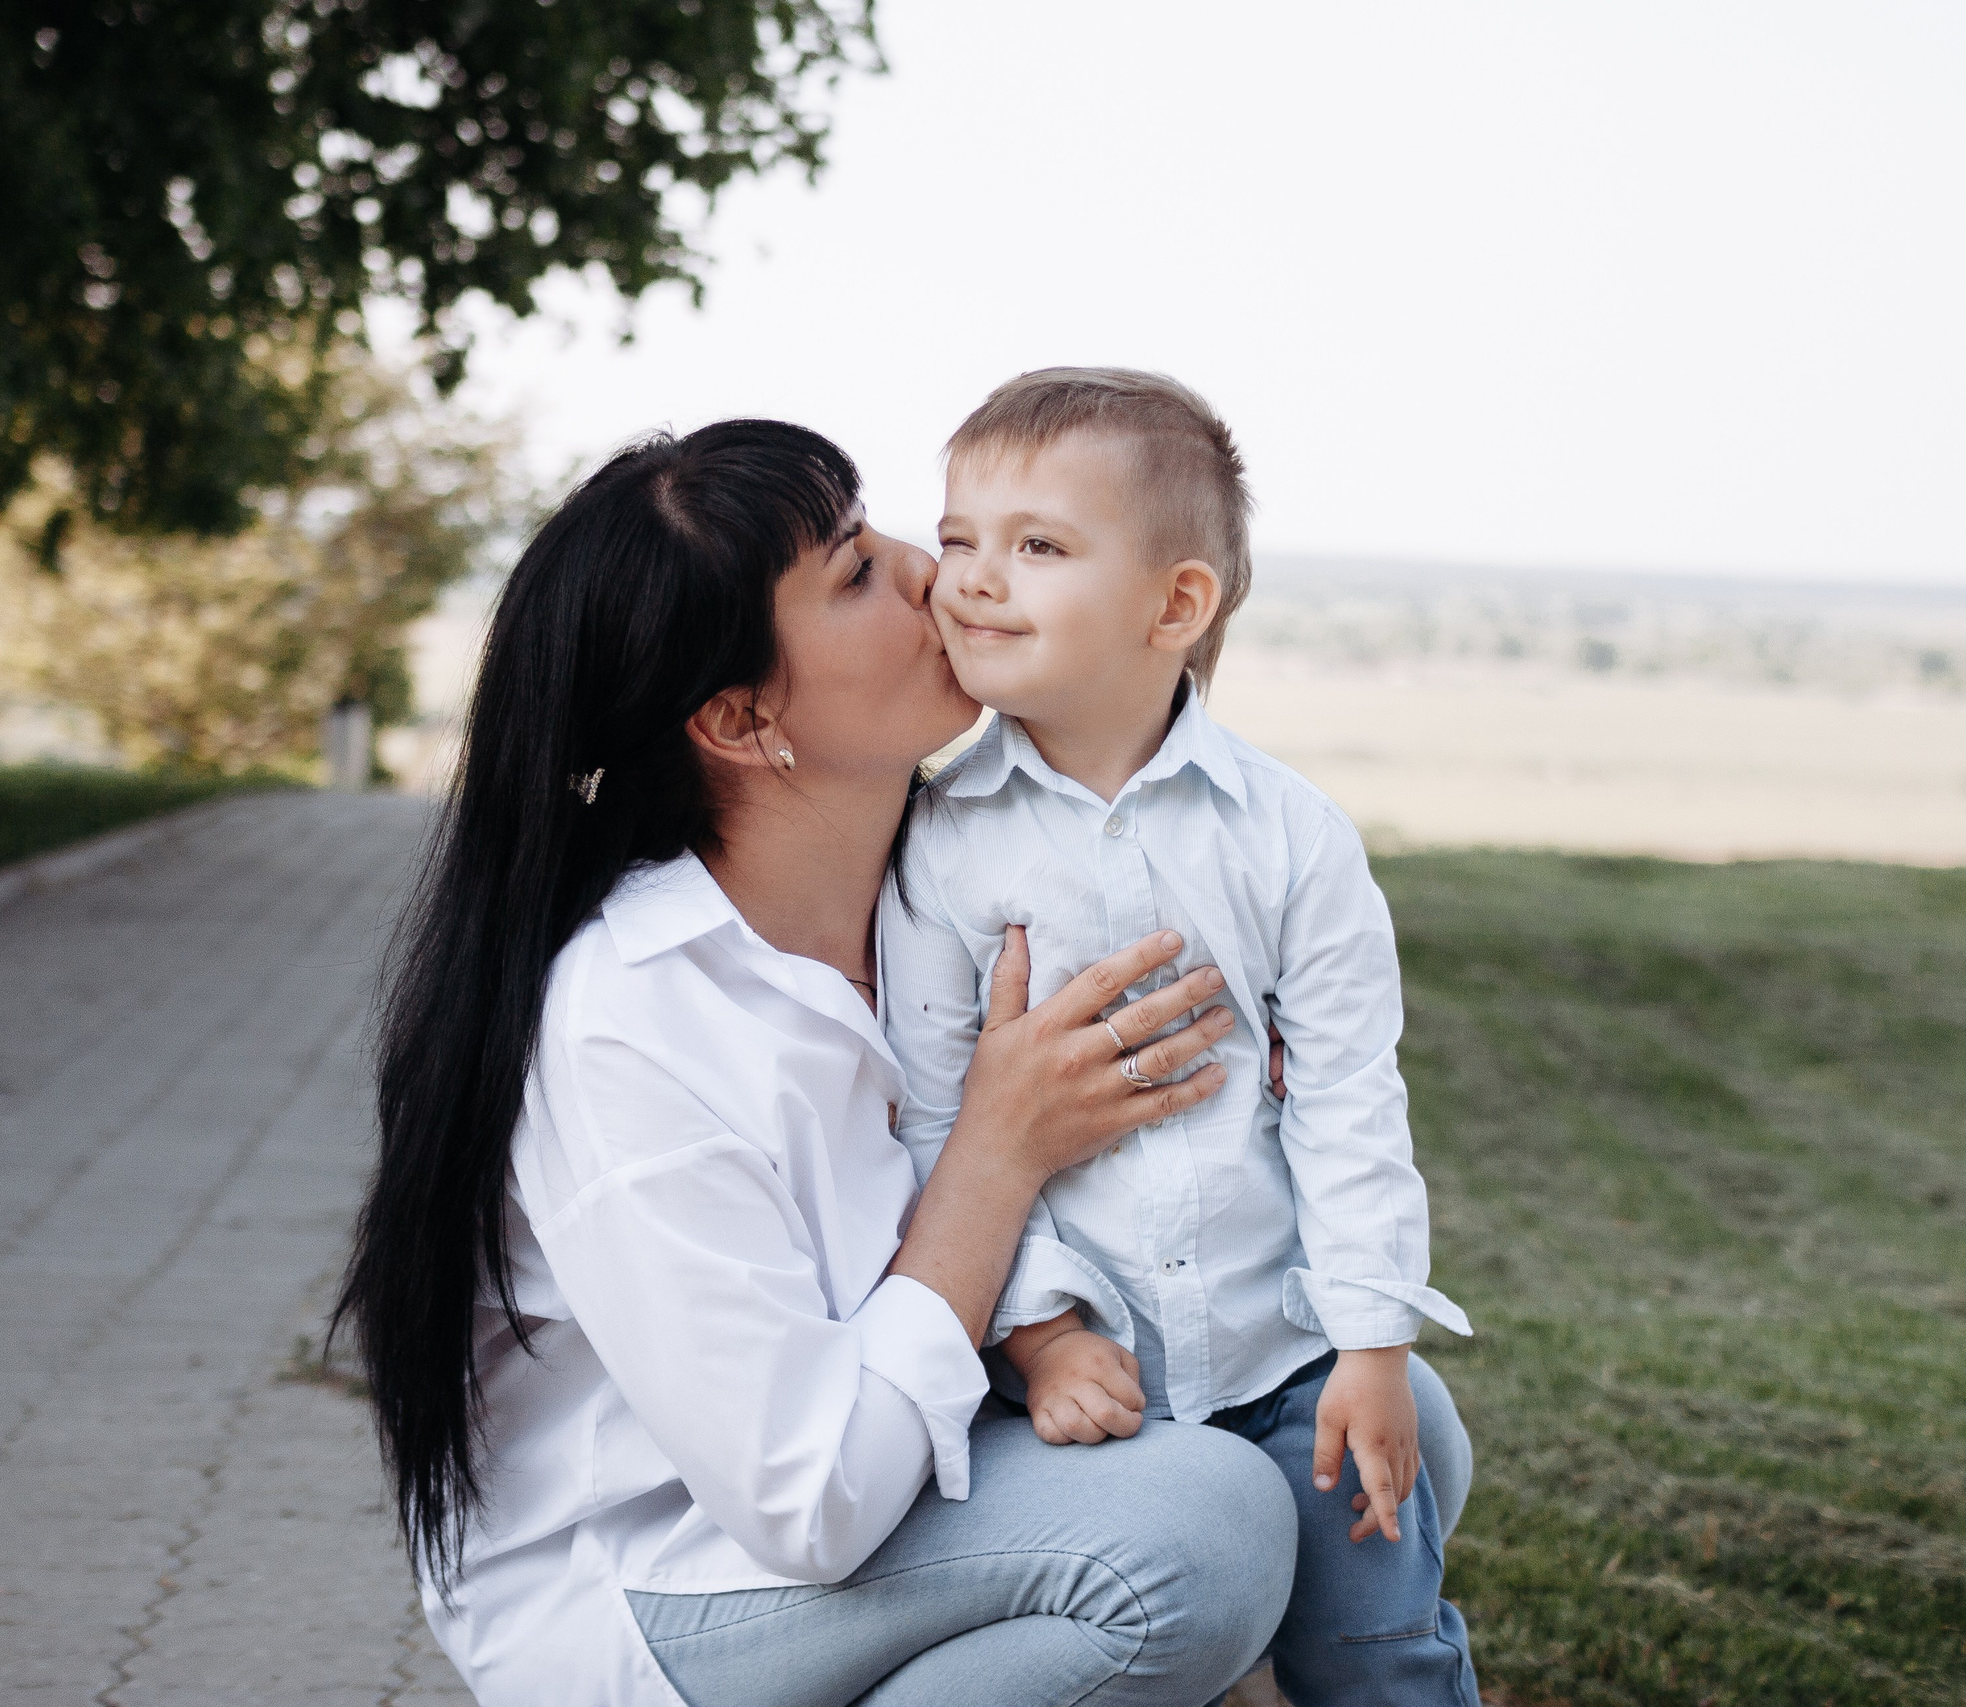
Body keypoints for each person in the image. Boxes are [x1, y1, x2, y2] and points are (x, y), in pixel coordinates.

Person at [336, 420, 1306, 1706]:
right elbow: (811, 1501)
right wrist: (996, 1155)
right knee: (1199, 1529)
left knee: (1360, 1442)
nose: (930, 569)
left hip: (899, 1468)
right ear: (742, 719)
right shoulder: (631, 1021)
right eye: (853, 572)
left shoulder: (943, 887)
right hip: (672, 1582)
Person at [883, 367, 1480, 1706]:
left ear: (1178, 604)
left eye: (1038, 544)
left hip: (1283, 1348)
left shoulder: (1287, 834)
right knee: (1179, 1648)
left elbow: (1344, 1094)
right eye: (960, 535)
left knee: (1379, 1643)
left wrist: (1372, 1343)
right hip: (1080, 1383)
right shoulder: (937, 846)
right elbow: (931, 1118)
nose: (971, 576)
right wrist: (1036, 1331)